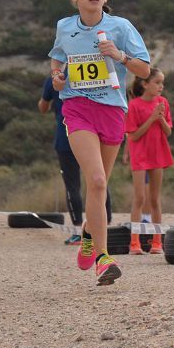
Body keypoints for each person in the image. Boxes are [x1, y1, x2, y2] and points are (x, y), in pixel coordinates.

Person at [49, 0, 151, 285]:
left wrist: (120, 56)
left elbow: (145, 71)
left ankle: (87, 236)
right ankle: (104, 259)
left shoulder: (121, 27)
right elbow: (56, 58)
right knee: (94, 180)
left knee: (100, 185)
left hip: (112, 112)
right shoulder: (65, 27)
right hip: (77, 108)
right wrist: (57, 77)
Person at [39, 76, 114, 244]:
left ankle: (78, 231)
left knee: (73, 186)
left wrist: (49, 98)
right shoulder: (92, 74)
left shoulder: (52, 79)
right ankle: (105, 225)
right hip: (93, 134)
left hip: (66, 137)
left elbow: (43, 107)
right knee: (100, 180)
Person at [125, 67, 173, 255]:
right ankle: (134, 243)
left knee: (154, 199)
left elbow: (168, 131)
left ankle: (157, 243)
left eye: (162, 82)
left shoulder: (163, 102)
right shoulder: (134, 105)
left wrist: (160, 119)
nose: (161, 86)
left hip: (158, 153)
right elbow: (133, 136)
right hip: (140, 155)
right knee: (139, 198)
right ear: (145, 84)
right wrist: (152, 118)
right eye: (157, 82)